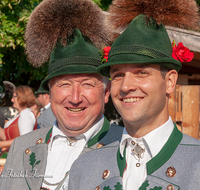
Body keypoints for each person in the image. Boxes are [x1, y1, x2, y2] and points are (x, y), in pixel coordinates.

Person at [68, 0, 200, 190]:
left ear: (169, 82)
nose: (126, 86)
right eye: (118, 75)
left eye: (141, 72)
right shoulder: (83, 168)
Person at [0, 0, 123, 189]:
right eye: (64, 84)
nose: (75, 98)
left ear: (106, 93)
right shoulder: (21, 146)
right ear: (50, 92)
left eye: (87, 84)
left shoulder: (127, 147)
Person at [0, 85, 37, 151]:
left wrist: (2, 144)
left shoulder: (26, 114)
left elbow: (25, 140)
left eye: (14, 97)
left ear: (22, 97)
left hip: (23, 158)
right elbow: (6, 137)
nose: (12, 100)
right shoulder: (21, 114)